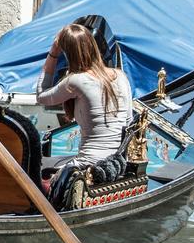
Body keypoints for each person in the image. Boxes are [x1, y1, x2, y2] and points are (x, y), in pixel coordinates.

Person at [36, 23, 132, 168]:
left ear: (68, 54)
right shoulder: (121, 76)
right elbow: (128, 120)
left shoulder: (76, 80)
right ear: (93, 45)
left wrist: (53, 53)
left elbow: (41, 96)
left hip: (89, 162)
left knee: (37, 166)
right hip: (117, 162)